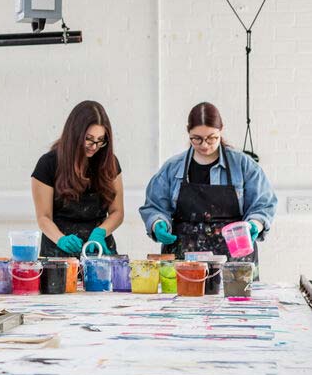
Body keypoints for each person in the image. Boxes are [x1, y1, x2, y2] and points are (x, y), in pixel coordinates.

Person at [139, 102, 276, 263]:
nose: (204, 145)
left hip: (234, 259)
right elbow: (154, 206)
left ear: (221, 130)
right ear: (188, 132)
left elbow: (263, 205)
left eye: (212, 138)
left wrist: (255, 224)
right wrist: (157, 223)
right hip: (185, 261)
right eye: (196, 139)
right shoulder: (172, 168)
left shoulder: (243, 165)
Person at [30, 100, 124, 257]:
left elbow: (117, 212)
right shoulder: (48, 164)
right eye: (89, 138)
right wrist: (61, 239)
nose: (94, 146)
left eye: (100, 140)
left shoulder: (109, 163)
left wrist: (101, 232)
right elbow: (43, 217)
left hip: (98, 250)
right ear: (74, 134)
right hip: (58, 253)